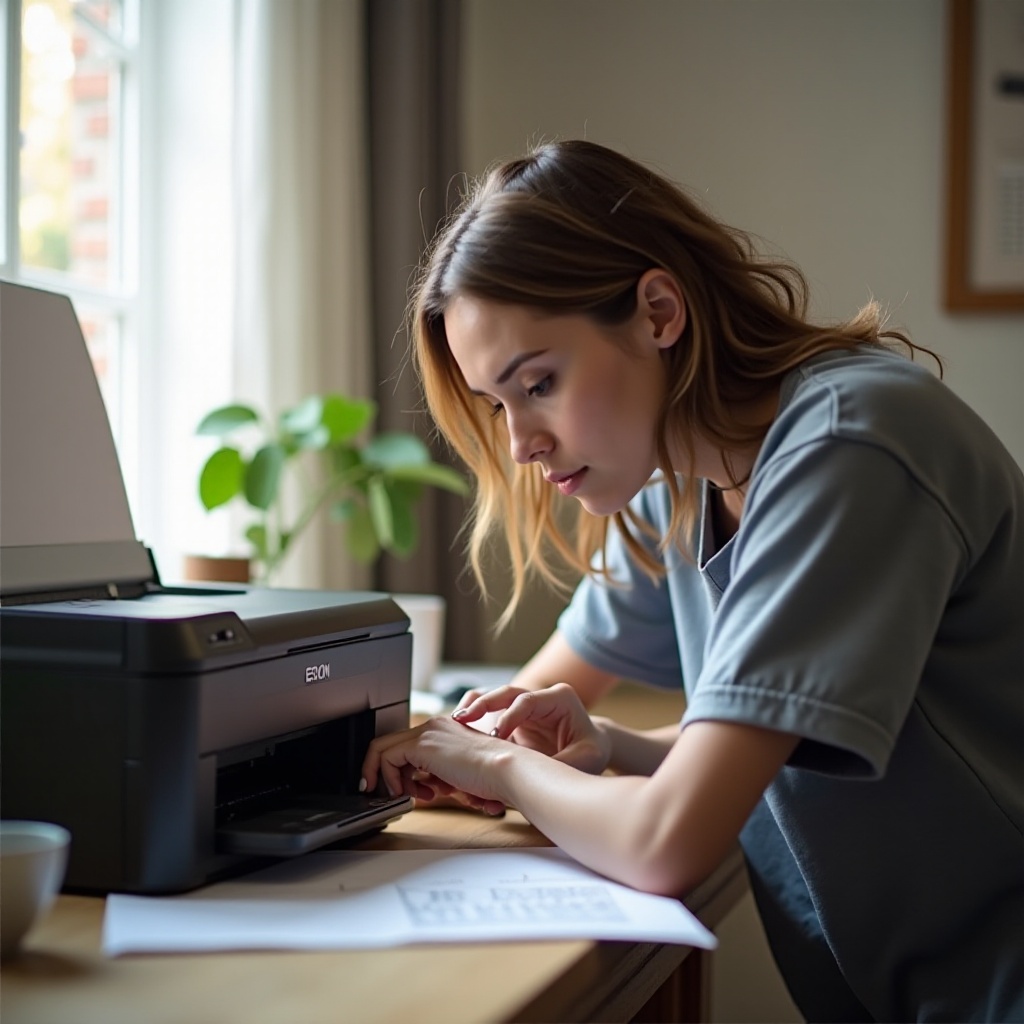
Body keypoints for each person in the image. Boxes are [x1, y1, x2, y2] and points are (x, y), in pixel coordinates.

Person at [360, 140, 1024, 1022]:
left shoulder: (847, 447)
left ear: (659, 311)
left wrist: (492, 764)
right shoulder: (678, 478)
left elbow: (668, 840)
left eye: (541, 383)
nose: (520, 442)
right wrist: (607, 744)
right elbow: (768, 759)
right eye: (498, 404)